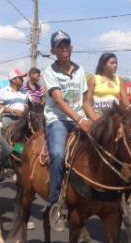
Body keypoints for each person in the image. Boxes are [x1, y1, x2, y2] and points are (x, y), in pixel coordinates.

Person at [42, 30, 98, 231]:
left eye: (66, 45)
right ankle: (55, 202)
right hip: (58, 120)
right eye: (60, 46)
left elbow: (85, 102)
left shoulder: (80, 71)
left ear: (71, 48)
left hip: (78, 119)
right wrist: (80, 120)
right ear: (53, 51)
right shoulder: (49, 72)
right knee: (57, 154)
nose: (64, 49)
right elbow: (58, 99)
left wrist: (98, 122)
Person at [0, 68, 28, 170]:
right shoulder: (3, 91)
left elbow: (28, 105)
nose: (23, 80)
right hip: (8, 117)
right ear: (13, 80)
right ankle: (2, 155)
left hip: (23, 119)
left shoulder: (25, 92)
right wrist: (13, 111)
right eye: (21, 78)